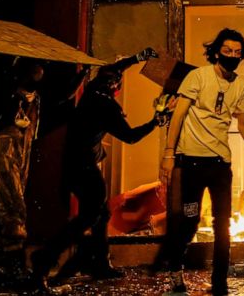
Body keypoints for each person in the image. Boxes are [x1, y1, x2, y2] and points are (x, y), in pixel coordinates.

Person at [29, 47, 160, 288]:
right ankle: (46, 257)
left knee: (100, 214)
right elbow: (130, 137)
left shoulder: (91, 90)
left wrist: (136, 58)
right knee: (92, 215)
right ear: (115, 88)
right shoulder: (106, 105)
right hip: (84, 167)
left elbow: (114, 70)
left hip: (73, 164)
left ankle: (100, 264)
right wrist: (156, 121)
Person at [153, 28, 244, 296]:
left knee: (223, 224)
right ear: (217, 52)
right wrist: (168, 154)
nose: (232, 56)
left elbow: (243, 125)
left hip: (220, 166)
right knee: (190, 221)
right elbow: (178, 116)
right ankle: (175, 271)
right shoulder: (197, 77)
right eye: (227, 51)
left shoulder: (240, 86)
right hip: (192, 163)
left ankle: (220, 283)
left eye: (237, 53)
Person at [0, 57, 45, 286]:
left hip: (21, 153)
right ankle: (13, 265)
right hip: (6, 149)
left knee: (4, 211)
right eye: (36, 69)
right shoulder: (7, 94)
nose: (41, 72)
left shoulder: (34, 98)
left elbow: (63, 94)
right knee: (13, 208)